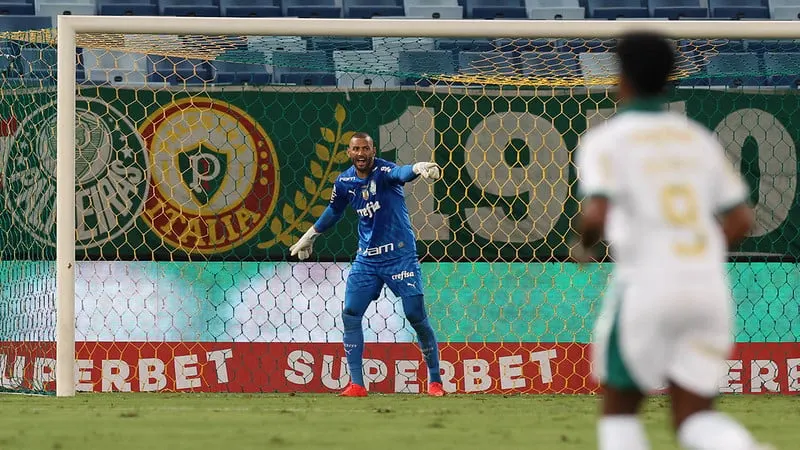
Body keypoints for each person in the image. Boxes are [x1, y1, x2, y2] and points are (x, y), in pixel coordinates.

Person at [573, 31, 770, 449]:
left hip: (647, 284)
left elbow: (597, 215)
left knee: (620, 411)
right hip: (708, 288)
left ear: (620, 78)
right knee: (696, 417)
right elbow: (740, 218)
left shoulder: (606, 139)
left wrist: (586, 245)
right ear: (669, 79)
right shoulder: (697, 138)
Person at [290, 132, 445, 397]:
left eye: (366, 149)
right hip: (367, 260)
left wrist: (418, 168)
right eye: (355, 149)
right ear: (349, 153)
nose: (361, 154)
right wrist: (310, 236)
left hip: (399, 256)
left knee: (415, 315)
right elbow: (334, 211)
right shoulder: (344, 181)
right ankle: (357, 384)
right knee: (350, 313)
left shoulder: (385, 171)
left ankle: (434, 381)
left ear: (373, 151)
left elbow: (401, 173)